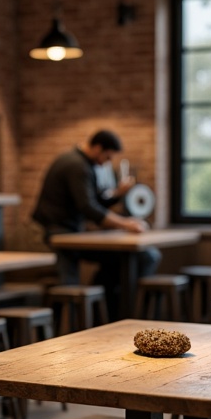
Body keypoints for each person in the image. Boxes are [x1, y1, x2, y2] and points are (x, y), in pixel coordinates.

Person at [32, 129, 161, 318]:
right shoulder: (77, 166)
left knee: (131, 259)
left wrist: (117, 193)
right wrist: (125, 224)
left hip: (72, 233)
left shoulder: (79, 163)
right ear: (98, 148)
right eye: (107, 157)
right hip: (61, 234)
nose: (106, 163)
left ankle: (105, 315)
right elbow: (88, 208)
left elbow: (93, 202)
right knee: (70, 287)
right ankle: (73, 330)